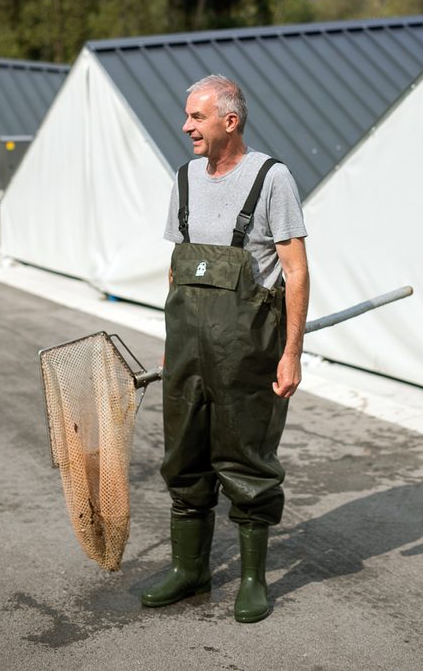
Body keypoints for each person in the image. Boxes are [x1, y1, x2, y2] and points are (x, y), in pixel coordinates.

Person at [141, 74, 309, 623]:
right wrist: (173, 343)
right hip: (187, 350)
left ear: (229, 121)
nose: (187, 126)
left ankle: (254, 579)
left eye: (196, 117)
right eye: (188, 116)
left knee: (247, 463)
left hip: (248, 353)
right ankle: (189, 570)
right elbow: (177, 267)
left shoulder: (271, 179)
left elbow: (296, 271)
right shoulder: (185, 178)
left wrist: (291, 353)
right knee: (183, 460)